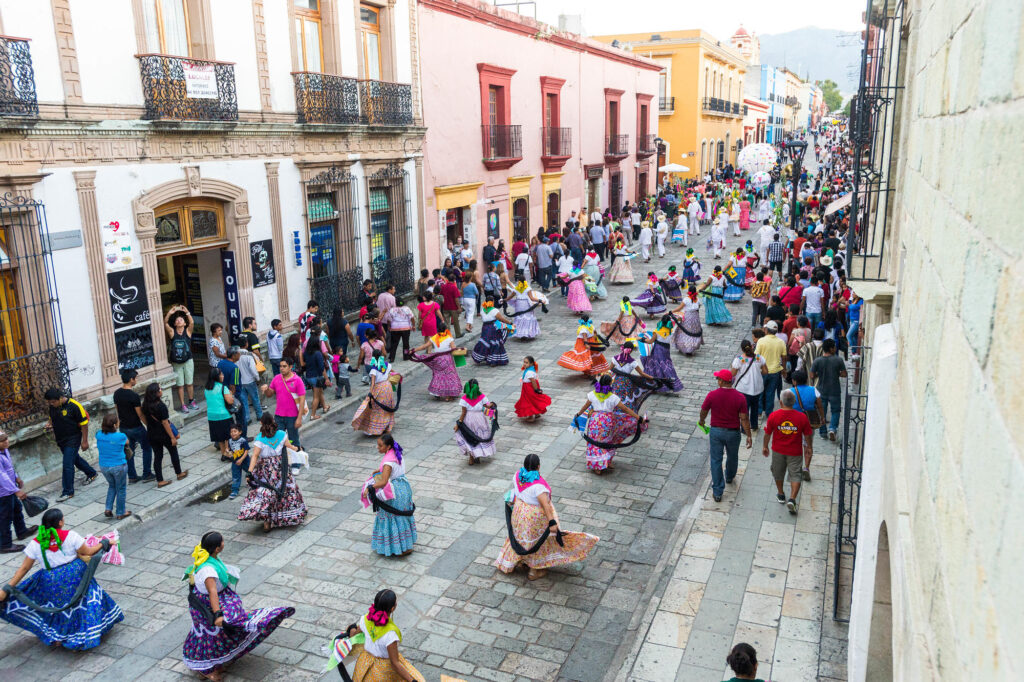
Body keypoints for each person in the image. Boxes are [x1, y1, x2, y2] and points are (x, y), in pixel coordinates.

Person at [0, 508, 122, 649]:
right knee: (84, 600)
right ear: (60, 522)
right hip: (75, 574)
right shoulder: (71, 536)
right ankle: (86, 633)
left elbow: (24, 569)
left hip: (51, 580)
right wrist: (104, 542)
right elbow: (87, 552)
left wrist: (6, 589)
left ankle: (59, 636)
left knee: (59, 608)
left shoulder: (35, 543)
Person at [182, 531, 295, 680]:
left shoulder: (208, 557)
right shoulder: (208, 570)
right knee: (214, 632)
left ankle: (220, 656)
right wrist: (218, 614)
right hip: (207, 606)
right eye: (222, 542)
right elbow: (212, 592)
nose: (224, 543)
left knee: (224, 629)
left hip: (216, 598)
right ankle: (206, 669)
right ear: (216, 548)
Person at [495, 454, 599, 580]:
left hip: (519, 512)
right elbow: (545, 505)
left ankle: (521, 561)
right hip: (533, 517)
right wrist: (552, 522)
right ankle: (534, 571)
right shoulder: (538, 486)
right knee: (539, 541)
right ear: (538, 466)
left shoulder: (518, 475)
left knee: (521, 538)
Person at [238, 414, 307, 531]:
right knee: (285, 490)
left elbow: (254, 456)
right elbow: (290, 446)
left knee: (267, 493)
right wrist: (299, 449)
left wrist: (249, 472)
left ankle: (267, 522)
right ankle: (287, 517)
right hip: (281, 468)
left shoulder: (260, 438)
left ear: (261, 423)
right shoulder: (281, 434)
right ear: (273, 421)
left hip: (266, 470)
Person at [344, 588, 424, 681]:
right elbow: (395, 663)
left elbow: (354, 635)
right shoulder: (390, 635)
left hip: (365, 663)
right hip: (383, 671)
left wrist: (351, 628)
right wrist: (412, 680)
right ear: (392, 608)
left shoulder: (365, 619)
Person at [698, 369, 752, 502]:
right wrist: (749, 435)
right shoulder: (740, 397)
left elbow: (704, 410)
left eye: (718, 379)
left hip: (716, 432)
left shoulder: (712, 395)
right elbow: (744, 418)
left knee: (716, 460)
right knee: (732, 456)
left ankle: (717, 491)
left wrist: (702, 421)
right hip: (733, 432)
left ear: (722, 381)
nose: (717, 381)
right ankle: (729, 476)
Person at [574, 374, 644, 474]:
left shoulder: (592, 394)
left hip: (595, 421)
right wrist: (638, 418)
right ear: (610, 383)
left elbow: (585, 406)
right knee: (608, 441)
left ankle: (597, 466)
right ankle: (607, 461)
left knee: (594, 443)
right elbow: (625, 409)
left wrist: (578, 414)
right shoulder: (613, 397)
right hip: (607, 422)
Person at [763, 390, 814, 514]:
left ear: (781, 402)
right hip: (795, 452)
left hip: (778, 450)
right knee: (796, 474)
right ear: (794, 402)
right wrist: (809, 447)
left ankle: (781, 494)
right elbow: (807, 434)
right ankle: (792, 499)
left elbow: (768, 433)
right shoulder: (801, 417)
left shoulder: (774, 416)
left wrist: (765, 446)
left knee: (777, 472)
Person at [44, 388, 97, 503]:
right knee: (74, 459)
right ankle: (91, 473)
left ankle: (68, 491)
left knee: (67, 464)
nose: (51, 404)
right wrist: (49, 425)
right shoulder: (53, 407)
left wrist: (85, 441)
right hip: (61, 439)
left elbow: (84, 424)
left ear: (60, 398)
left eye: (53, 402)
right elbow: (52, 418)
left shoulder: (74, 405)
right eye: (49, 403)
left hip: (73, 438)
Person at [140, 383, 186, 487]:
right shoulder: (161, 406)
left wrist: (150, 425)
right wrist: (172, 437)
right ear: (156, 393)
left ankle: (160, 480)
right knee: (173, 452)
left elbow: (142, 416)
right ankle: (179, 473)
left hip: (152, 434)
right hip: (163, 434)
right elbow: (165, 423)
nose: (161, 390)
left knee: (158, 456)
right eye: (160, 389)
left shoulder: (145, 405)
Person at [112, 369, 154, 483]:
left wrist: (119, 424)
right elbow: (140, 414)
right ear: (131, 379)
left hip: (124, 427)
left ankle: (132, 476)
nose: (137, 380)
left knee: (129, 451)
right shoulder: (133, 396)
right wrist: (148, 425)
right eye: (136, 378)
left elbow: (117, 410)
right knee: (146, 448)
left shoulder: (117, 393)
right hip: (136, 427)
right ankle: (147, 473)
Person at [0, 431, 35, 553]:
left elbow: (9, 467)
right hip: (4, 493)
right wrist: (16, 491)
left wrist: (16, 477)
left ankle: (22, 531)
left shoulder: (5, 450)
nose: (6, 442)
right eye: (2, 441)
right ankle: (5, 544)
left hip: (10, 488)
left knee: (17, 510)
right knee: (5, 517)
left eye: (6, 439)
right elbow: (2, 476)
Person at [409, 322, 462, 400]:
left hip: (438, 360)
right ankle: (450, 394)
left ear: (438, 329)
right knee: (450, 376)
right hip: (447, 360)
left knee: (438, 375)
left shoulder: (434, 337)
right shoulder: (449, 337)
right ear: (445, 329)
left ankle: (437, 392)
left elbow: (424, 346)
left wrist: (413, 350)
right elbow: (453, 348)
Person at [262, 357, 305, 452]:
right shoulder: (276, 378)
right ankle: (283, 460)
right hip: (279, 416)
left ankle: (296, 463)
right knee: (278, 439)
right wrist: (266, 389)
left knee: (294, 440)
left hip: (292, 416)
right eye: (280, 366)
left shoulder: (297, 380)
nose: (281, 368)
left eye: (284, 366)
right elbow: (270, 394)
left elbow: (302, 400)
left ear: (290, 367)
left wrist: (299, 418)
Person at [351, 353, 398, 436]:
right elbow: (394, 373)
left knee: (377, 408)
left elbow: (372, 383)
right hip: (388, 387)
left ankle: (376, 429)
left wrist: (370, 394)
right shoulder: (387, 365)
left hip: (379, 389)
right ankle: (387, 426)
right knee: (387, 405)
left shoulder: (374, 370)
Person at [810, 339, 847, 441]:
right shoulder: (838, 360)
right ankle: (832, 428)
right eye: (834, 347)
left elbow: (812, 375)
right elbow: (844, 374)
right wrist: (837, 373)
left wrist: (819, 374)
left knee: (822, 411)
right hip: (834, 389)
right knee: (835, 410)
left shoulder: (817, 360)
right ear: (831, 349)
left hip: (821, 390)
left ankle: (823, 432)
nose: (835, 348)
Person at [95, 414, 131, 520]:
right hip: (118, 465)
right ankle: (120, 512)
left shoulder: (98, 434)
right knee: (121, 489)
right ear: (115, 425)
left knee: (112, 486)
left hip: (104, 466)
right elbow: (127, 442)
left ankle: (108, 508)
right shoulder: (121, 436)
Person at [453, 379, 497, 464]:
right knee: (479, 436)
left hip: (468, 419)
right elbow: (487, 407)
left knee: (470, 437)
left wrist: (458, 423)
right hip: (480, 419)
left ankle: (471, 457)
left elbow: (463, 412)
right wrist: (492, 404)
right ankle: (478, 455)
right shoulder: (482, 397)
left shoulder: (464, 398)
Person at [164, 305, 197, 412]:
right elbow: (165, 323)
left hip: (188, 360)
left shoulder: (187, 331)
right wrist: (170, 313)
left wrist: (187, 312)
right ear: (175, 324)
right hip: (177, 362)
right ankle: (183, 405)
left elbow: (192, 323)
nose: (179, 320)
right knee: (180, 385)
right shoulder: (172, 332)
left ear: (184, 323)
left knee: (189, 382)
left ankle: (191, 401)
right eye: (177, 319)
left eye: (181, 319)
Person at [731, 340, 768, 431]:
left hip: (743, 388)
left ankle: (744, 428)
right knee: (755, 408)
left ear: (742, 349)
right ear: (752, 346)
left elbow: (733, 373)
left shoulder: (739, 360)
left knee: (744, 410)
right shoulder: (759, 358)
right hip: (757, 388)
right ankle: (754, 425)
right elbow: (765, 371)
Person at [640, 317, 683, 393]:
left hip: (658, 349)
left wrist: (642, 339)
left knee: (654, 365)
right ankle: (671, 383)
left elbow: (650, 341)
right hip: (666, 350)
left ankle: (653, 384)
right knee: (666, 365)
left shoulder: (657, 331)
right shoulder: (670, 331)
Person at [755, 321, 787, 417]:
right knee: (770, 393)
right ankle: (769, 412)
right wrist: (784, 369)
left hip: (762, 371)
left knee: (760, 391)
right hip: (775, 371)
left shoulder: (761, 341)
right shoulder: (781, 342)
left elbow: (757, 356)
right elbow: (784, 357)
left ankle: (759, 411)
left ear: (766, 330)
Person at [471, 297, 514, 366]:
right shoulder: (494, 310)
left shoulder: (483, 310)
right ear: (492, 302)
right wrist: (510, 323)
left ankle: (481, 357)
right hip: (493, 327)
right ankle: (493, 361)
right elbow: (501, 319)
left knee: (485, 342)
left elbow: (483, 318)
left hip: (485, 328)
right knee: (495, 343)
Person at [204, 369, 236, 462]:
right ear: (216, 376)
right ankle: (228, 452)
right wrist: (231, 395)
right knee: (228, 435)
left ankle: (223, 453)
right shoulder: (223, 388)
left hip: (212, 416)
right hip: (224, 415)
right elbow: (230, 401)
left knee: (220, 437)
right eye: (221, 374)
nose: (223, 376)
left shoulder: (206, 389)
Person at [234, 345, 263, 436]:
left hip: (240, 382)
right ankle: (259, 415)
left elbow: (235, 370)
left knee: (244, 401)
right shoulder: (249, 355)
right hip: (250, 381)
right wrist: (257, 378)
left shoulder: (235, 356)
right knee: (255, 398)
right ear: (246, 344)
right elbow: (253, 369)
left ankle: (247, 418)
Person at [506, 274, 544, 339]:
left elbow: (509, 297)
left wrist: (503, 300)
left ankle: (520, 333)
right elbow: (532, 298)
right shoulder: (528, 288)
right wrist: (540, 300)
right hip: (526, 304)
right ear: (525, 280)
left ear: (518, 281)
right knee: (527, 317)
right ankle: (527, 333)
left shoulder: (516, 289)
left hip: (519, 304)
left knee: (520, 317)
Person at [514, 356, 551, 422]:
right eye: (524, 362)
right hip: (528, 388)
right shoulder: (530, 369)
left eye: (526, 362)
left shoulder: (529, 372)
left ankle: (531, 417)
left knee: (528, 401)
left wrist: (536, 389)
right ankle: (537, 414)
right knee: (533, 400)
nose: (524, 364)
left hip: (528, 389)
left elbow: (533, 381)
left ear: (531, 364)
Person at [302, 334, 329, 421]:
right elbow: (322, 368)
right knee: (316, 397)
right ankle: (313, 415)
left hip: (309, 376)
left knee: (320, 392)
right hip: (316, 377)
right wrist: (326, 378)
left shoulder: (306, 353)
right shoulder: (318, 354)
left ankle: (325, 407)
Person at [670, 287, 704, 355]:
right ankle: (691, 347)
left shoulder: (686, 299)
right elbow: (698, 306)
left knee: (684, 331)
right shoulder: (697, 299)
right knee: (693, 331)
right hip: (695, 317)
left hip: (687, 317)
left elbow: (679, 308)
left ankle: (685, 347)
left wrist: (671, 312)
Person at [226, 423, 250, 500]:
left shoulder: (243, 440)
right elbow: (229, 450)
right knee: (235, 476)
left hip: (244, 460)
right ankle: (235, 490)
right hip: (235, 462)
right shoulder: (230, 441)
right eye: (231, 432)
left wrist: (241, 459)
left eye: (235, 431)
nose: (233, 433)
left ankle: (254, 483)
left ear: (240, 432)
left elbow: (246, 451)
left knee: (250, 471)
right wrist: (228, 452)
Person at [437, 273, 463, 339]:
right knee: (456, 322)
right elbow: (456, 299)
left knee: (447, 322)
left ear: (448, 279)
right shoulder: (454, 287)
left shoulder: (443, 286)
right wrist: (459, 307)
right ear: (454, 280)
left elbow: (441, 295)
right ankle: (458, 334)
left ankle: (447, 336)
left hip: (445, 306)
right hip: (453, 307)